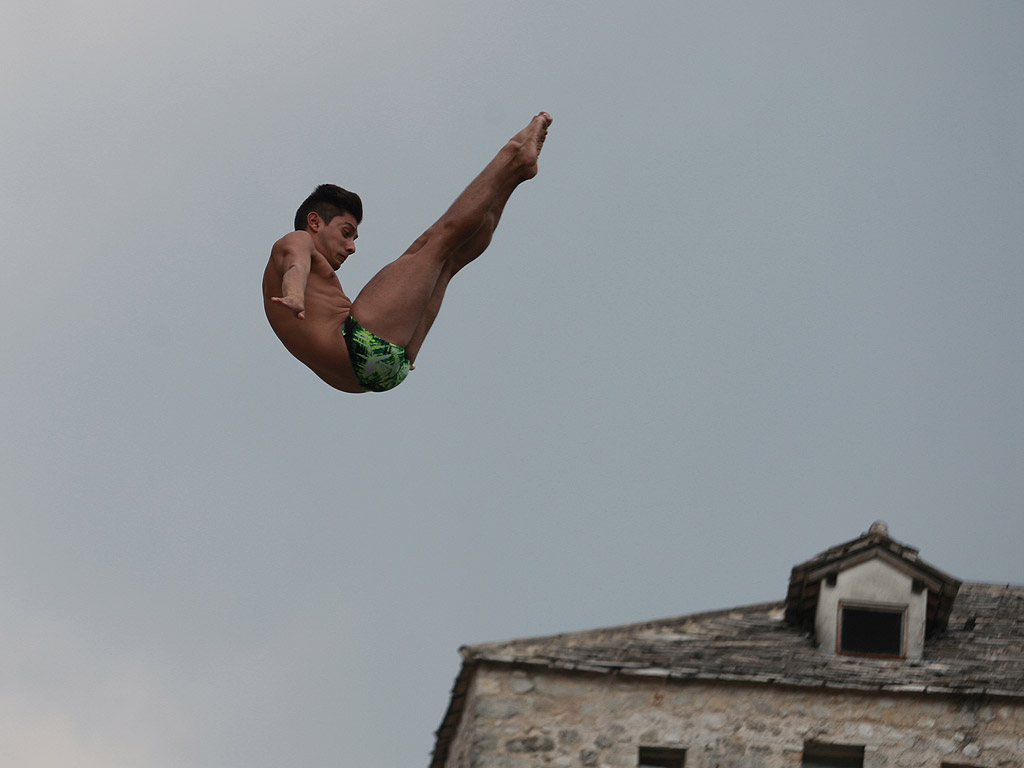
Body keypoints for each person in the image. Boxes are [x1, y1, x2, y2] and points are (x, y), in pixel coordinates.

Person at [263, 112, 552, 393]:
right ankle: (513, 154)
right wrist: (294, 295)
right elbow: (295, 266)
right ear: (315, 222)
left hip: (382, 370)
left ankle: (515, 174)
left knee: (449, 261)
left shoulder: (316, 286)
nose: (351, 247)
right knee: (435, 241)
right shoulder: (296, 240)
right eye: (346, 232)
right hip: (359, 347)